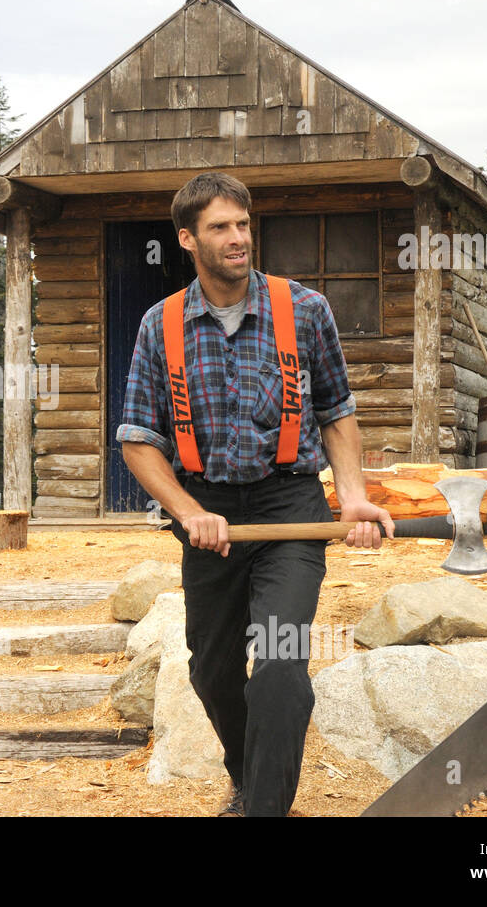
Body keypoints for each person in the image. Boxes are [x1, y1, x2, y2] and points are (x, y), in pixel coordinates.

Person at [117, 172, 393, 817]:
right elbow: (137, 438)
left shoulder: (305, 309)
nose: (238, 238)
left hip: (290, 508)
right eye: (220, 227)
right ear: (188, 239)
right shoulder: (160, 326)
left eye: (243, 224)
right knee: (211, 673)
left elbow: (337, 410)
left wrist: (350, 496)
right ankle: (249, 782)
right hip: (209, 512)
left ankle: (264, 809)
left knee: (279, 669)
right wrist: (188, 512)